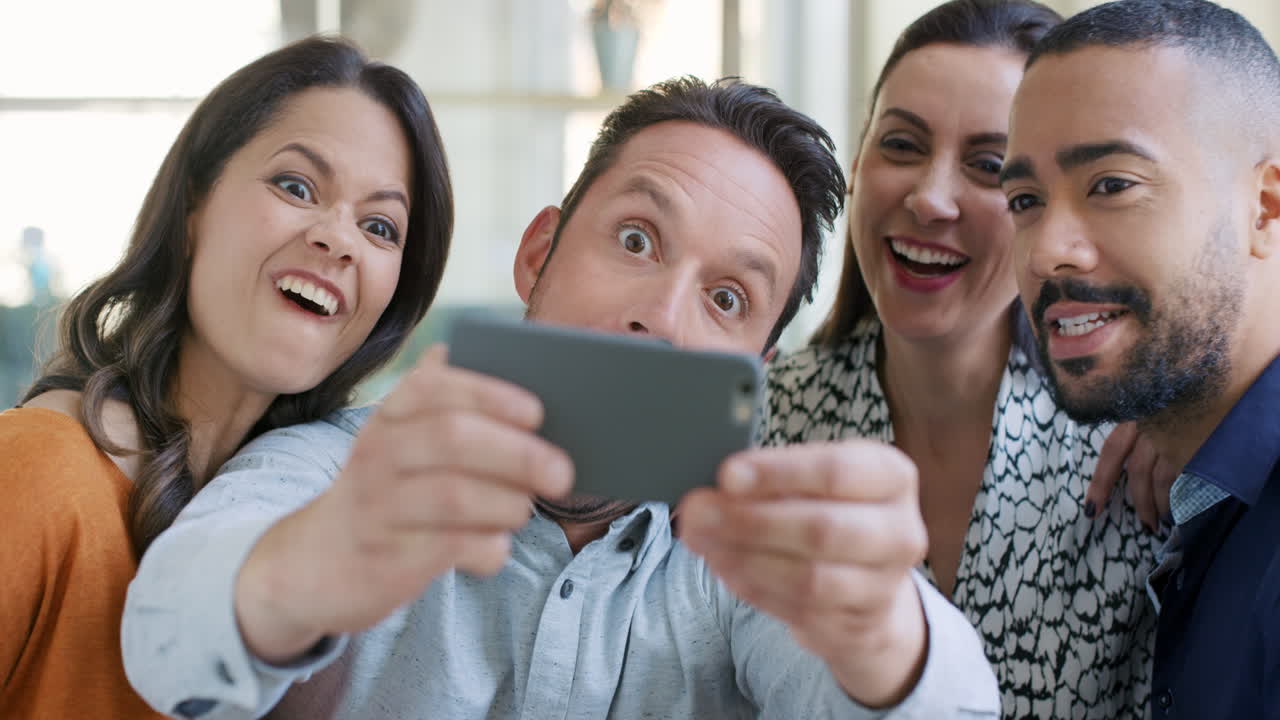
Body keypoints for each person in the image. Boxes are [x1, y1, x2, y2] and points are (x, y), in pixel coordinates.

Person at [122, 77, 999, 719]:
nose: (659, 318)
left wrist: (882, 630)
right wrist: (313, 565)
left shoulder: (743, 560)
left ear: (759, 367)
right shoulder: (343, 469)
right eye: (635, 238)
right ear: (539, 253)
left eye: (726, 299)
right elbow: (164, 638)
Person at [0, 36, 452, 719]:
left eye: (381, 226)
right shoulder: (39, 470)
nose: (339, 238)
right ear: (192, 207)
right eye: (296, 186)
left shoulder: (320, 526)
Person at [766, 2, 1159, 717]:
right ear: (857, 166)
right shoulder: (759, 429)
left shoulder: (1133, 456)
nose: (929, 198)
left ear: (1040, 206)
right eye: (902, 145)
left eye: (987, 165)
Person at [1000, 1, 1280, 717]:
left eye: (1112, 185)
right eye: (1025, 199)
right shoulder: (1193, 481)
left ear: (1266, 207)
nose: (1045, 251)